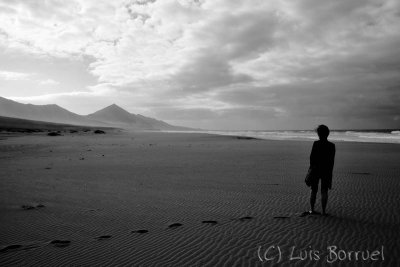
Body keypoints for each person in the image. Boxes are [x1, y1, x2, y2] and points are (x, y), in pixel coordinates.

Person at [308, 125, 335, 216]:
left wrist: (311, 170)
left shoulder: (316, 144)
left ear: (319, 134)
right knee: (324, 191)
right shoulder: (331, 146)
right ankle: (323, 212)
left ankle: (312, 210)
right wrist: (330, 175)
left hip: (316, 169)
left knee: (313, 190)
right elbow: (331, 162)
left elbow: (311, 158)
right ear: (328, 134)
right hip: (326, 170)